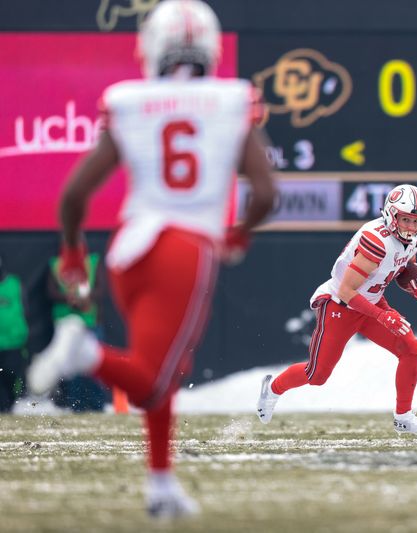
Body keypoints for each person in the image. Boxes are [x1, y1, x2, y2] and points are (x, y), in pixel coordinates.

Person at [27, 0, 276, 519]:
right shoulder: (230, 100)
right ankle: (85, 354)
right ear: (209, 48)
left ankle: (161, 485)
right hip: (185, 250)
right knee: (156, 379)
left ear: (152, 50)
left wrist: (74, 250)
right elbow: (266, 193)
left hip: (129, 248)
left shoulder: (130, 101)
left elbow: (74, 195)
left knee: (164, 368)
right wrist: (240, 233)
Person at [257, 184, 417, 438]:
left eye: (416, 221)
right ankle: (273, 388)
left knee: (411, 349)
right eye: (405, 219)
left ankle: (403, 417)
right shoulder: (377, 240)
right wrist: (382, 315)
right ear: (391, 215)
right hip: (341, 306)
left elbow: (404, 264)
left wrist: (415, 285)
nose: (410, 226)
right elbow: (346, 291)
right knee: (317, 375)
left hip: (372, 302)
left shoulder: (416, 236)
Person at [47, 249, 108, 411]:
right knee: (71, 367)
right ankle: (76, 404)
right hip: (67, 322)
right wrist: (69, 298)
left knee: (95, 365)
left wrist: (84, 299)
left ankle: (97, 404)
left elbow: (101, 289)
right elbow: (51, 291)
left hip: (90, 322)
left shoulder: (92, 262)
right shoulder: (56, 264)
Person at [0, 254, 29, 412]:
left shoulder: (14, 284)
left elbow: (25, 310)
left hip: (13, 344)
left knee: (11, 379)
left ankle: (10, 406)